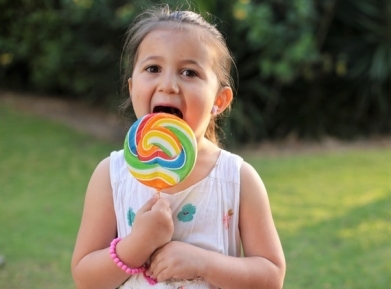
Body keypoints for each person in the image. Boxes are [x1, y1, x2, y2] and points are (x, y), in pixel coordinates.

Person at [71, 4, 286, 289]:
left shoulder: (237, 179)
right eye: (153, 68)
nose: (169, 85)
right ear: (133, 87)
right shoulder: (112, 176)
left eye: (189, 73)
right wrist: (137, 245)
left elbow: (271, 277)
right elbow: (85, 278)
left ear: (218, 101)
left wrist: (203, 263)